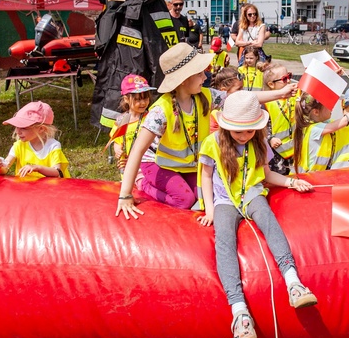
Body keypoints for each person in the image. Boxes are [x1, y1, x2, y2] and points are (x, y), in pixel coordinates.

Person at [115, 43, 296, 219]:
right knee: (184, 200)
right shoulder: (161, 110)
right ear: (185, 79)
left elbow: (242, 99)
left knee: (203, 197)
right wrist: (125, 195)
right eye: (200, 73)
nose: (205, 77)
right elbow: (137, 150)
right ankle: (143, 183)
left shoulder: (204, 97)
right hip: (155, 164)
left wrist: (280, 94)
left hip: (185, 166)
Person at [197, 91, 317, 338]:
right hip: (224, 200)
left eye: (250, 131)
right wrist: (209, 209)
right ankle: (239, 310)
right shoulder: (213, 143)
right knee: (224, 242)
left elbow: (267, 175)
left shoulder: (258, 143)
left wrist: (292, 182)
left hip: (251, 194)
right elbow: (206, 176)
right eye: (239, 132)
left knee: (270, 223)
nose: (244, 136)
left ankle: (293, 282)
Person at [293, 87, 349, 173]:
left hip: (319, 175)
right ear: (316, 112)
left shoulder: (326, 124)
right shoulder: (314, 129)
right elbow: (345, 121)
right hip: (307, 177)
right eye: (327, 105)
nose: (331, 107)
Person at [0, 101, 70, 178]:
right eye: (16, 126)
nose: (17, 131)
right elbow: (5, 168)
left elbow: (57, 172)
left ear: (41, 129)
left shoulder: (53, 146)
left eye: (23, 128)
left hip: (51, 189)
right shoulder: (18, 146)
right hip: (27, 189)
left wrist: (37, 168)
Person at [110, 74, 157, 175]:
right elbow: (117, 141)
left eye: (145, 98)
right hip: (128, 165)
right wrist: (118, 150)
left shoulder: (151, 118)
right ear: (126, 99)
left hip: (149, 163)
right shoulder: (121, 121)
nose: (143, 103)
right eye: (138, 99)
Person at [263, 62, 299, 175]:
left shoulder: (293, 96)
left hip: (294, 148)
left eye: (289, 76)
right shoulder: (266, 103)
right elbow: (263, 128)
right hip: (275, 153)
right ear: (271, 84)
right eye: (284, 79)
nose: (288, 81)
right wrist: (270, 138)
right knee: (278, 179)